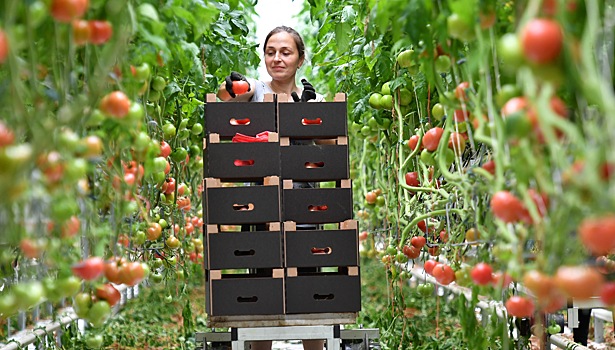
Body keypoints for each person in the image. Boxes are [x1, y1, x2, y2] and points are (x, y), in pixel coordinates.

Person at [217, 25, 327, 350]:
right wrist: (241, 84)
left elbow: (330, 143)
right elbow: (228, 95)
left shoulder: (313, 97)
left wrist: (308, 114)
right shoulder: (257, 93)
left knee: (308, 283)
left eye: (285, 52)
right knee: (262, 281)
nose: (277, 58)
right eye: (270, 52)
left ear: (300, 58)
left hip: (304, 202)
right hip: (261, 201)